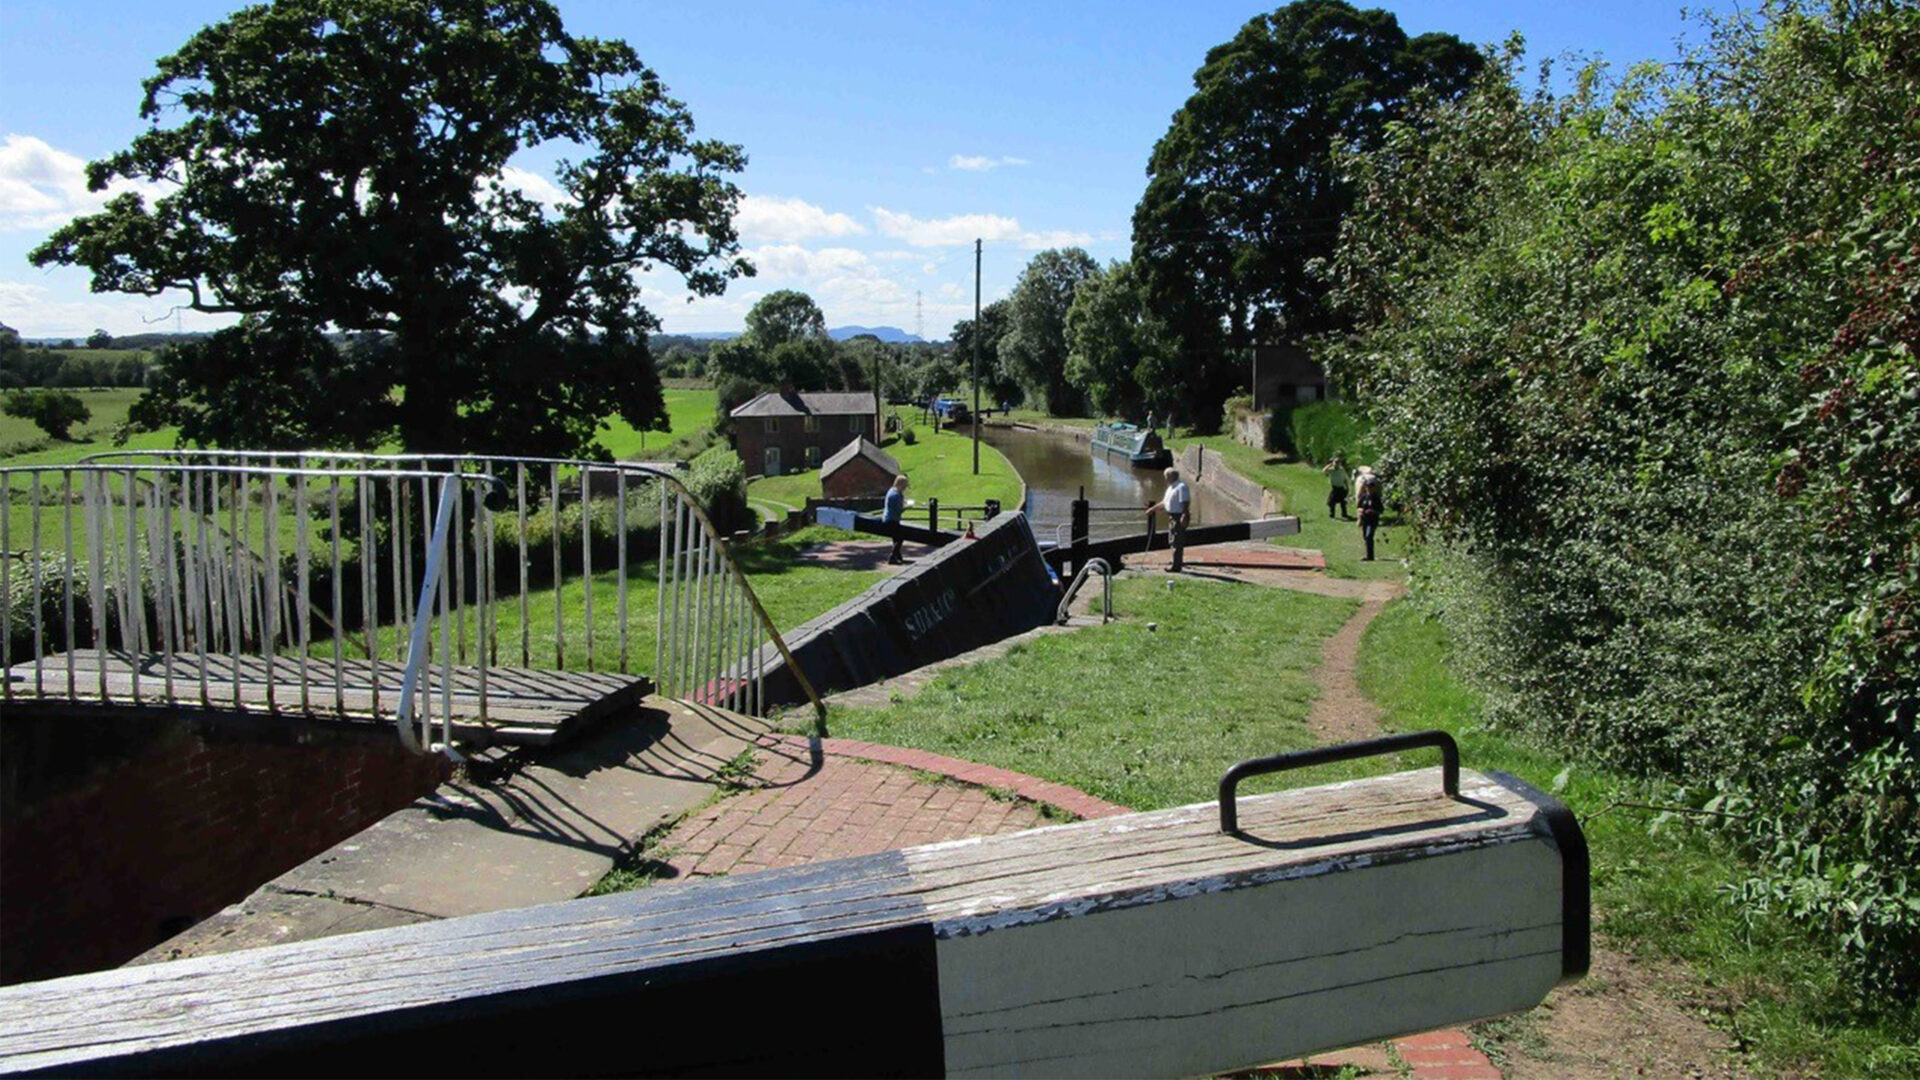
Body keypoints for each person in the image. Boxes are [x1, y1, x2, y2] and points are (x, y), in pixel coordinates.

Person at [1145, 466, 1192, 571]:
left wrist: (1185, 515)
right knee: (1172, 540)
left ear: (1170, 476)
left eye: (1165, 476)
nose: (1165, 478)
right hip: (1172, 516)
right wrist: (1152, 509)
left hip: (1178, 516)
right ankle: (1176, 561)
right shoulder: (1171, 488)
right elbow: (1164, 502)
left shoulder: (1181, 487)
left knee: (1177, 541)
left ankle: (1176, 566)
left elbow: (1185, 502)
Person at [1356, 472, 1383, 562]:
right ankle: (1368, 554)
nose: (1369, 489)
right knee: (1365, 537)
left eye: (1371, 487)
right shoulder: (1364, 497)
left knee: (1369, 536)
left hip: (1373, 520)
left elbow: (1381, 510)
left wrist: (1373, 511)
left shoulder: (1376, 498)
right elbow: (1359, 506)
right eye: (1367, 487)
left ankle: (1370, 556)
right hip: (1365, 520)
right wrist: (1360, 511)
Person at [882, 474, 909, 565]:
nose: (905, 487)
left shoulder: (892, 491)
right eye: (905, 485)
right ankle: (892, 557)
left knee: (896, 538)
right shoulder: (895, 495)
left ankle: (898, 556)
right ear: (901, 484)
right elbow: (898, 511)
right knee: (900, 538)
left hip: (888, 518)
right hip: (891, 520)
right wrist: (907, 507)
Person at [1322, 455, 1352, 519]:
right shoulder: (1331, 470)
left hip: (1341, 488)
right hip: (1335, 488)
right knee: (1331, 502)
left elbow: (1345, 479)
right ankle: (1332, 513)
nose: (1337, 464)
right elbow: (1324, 471)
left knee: (1343, 502)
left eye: (1338, 462)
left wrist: (1347, 487)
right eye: (1336, 462)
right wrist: (1330, 464)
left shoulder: (1342, 470)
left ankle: (1344, 514)